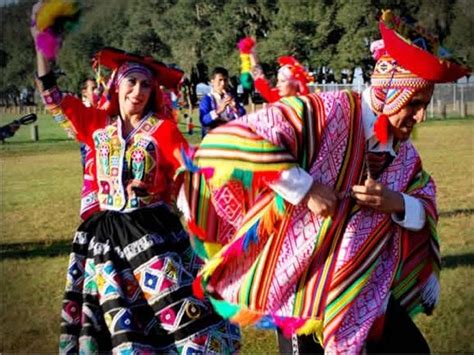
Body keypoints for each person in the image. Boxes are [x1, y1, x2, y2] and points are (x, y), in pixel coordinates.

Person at [180, 10, 470, 354]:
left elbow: (426, 203)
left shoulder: (403, 155)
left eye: (425, 105)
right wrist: (306, 189)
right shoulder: (325, 111)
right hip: (303, 287)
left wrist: (397, 202)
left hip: (366, 291)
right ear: (391, 92)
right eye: (416, 103)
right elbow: (242, 137)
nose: (420, 115)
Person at [31, 24, 240, 355]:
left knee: (180, 319)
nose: (138, 91)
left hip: (153, 236)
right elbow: (52, 96)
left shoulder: (164, 131)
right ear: (117, 86)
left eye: (145, 85)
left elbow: (193, 172)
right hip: (105, 241)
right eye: (131, 82)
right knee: (115, 327)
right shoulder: (96, 126)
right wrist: (39, 41)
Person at [198, 67, 246, 137]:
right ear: (212, 82)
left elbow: (243, 117)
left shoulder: (232, 97)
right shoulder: (206, 100)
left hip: (231, 137)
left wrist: (235, 108)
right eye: (220, 80)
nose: (223, 84)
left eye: (225, 80)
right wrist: (218, 111)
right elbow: (204, 121)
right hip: (213, 139)